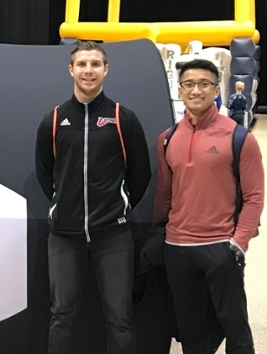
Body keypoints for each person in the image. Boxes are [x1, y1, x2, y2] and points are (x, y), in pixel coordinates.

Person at [35, 41, 152, 354]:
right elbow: (46, 175)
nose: (89, 70)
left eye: (95, 64)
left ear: (106, 70)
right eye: (82, 64)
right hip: (64, 237)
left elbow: (140, 175)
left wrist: (118, 208)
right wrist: (66, 207)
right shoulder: (54, 120)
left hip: (112, 236)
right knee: (62, 315)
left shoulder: (122, 118)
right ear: (71, 69)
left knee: (120, 317)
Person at [153, 59, 263, 354]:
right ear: (180, 90)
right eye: (189, 84)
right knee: (190, 329)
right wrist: (160, 236)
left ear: (216, 90)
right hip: (177, 247)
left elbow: (255, 196)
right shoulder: (167, 139)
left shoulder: (239, 138)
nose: (196, 90)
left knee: (234, 326)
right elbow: (165, 193)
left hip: (220, 246)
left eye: (204, 84)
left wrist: (238, 243)